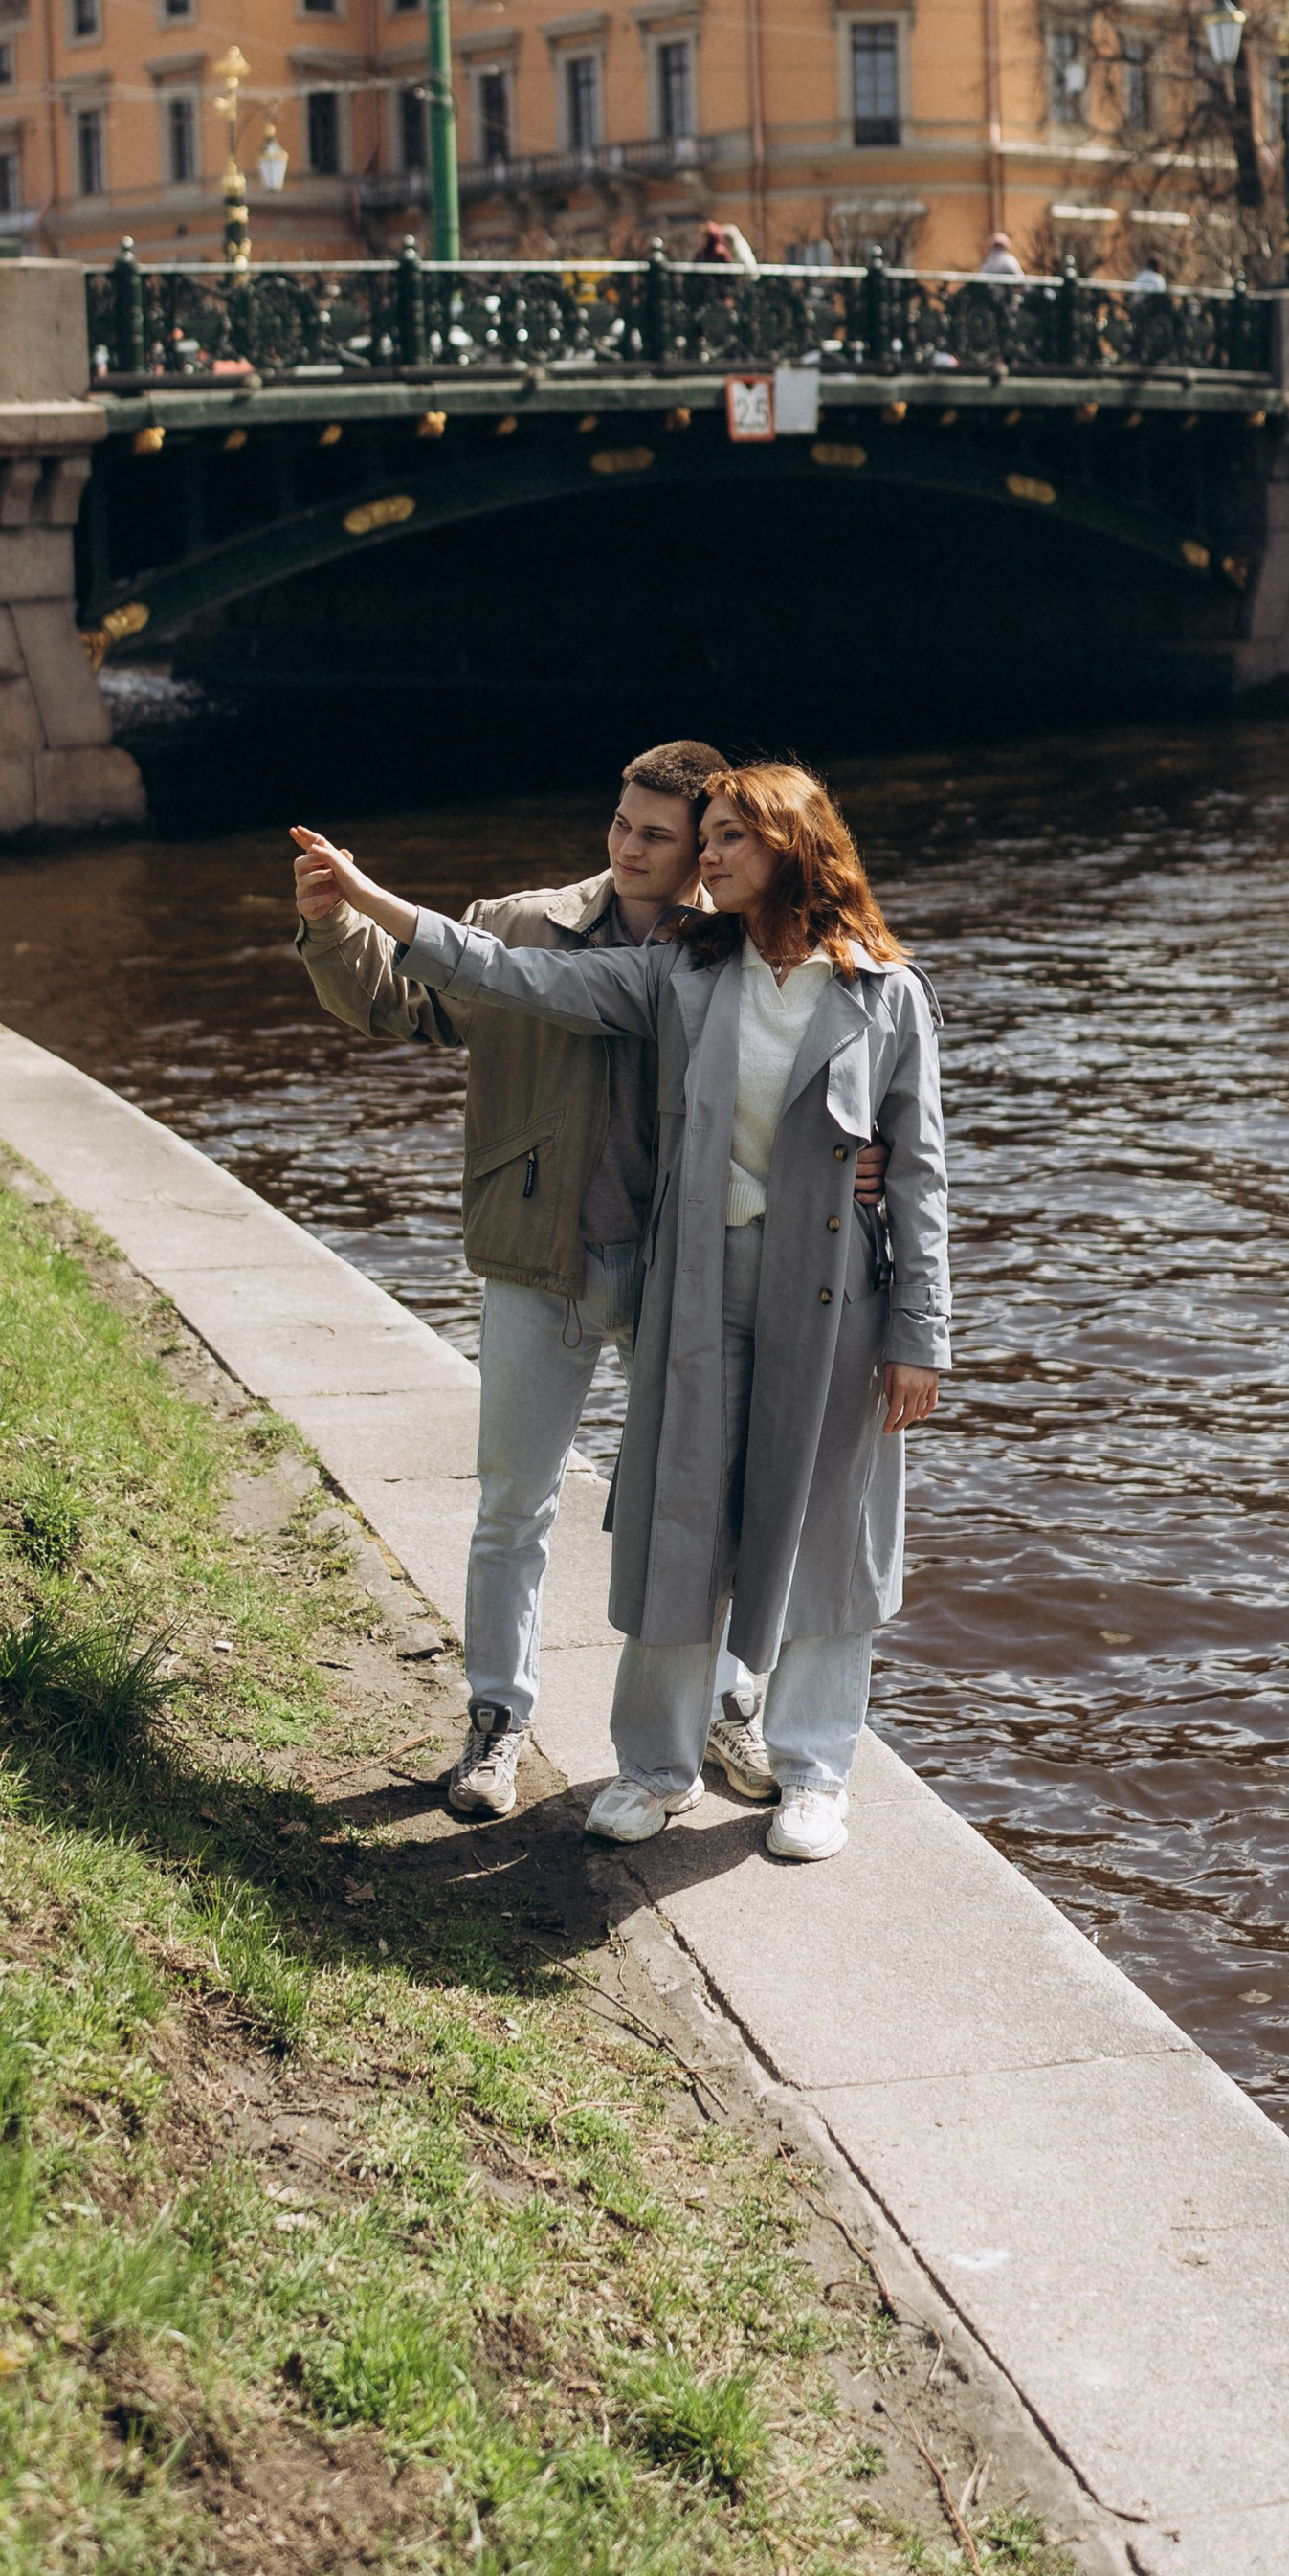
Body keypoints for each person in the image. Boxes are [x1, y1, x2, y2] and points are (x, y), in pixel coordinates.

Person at [289, 766, 949, 1867]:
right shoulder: (678, 971)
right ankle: (654, 1766)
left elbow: (920, 1174)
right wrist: (362, 896)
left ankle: (814, 1772)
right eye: (708, 837)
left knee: (828, 1534)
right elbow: (505, 972)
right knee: (673, 1521)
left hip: (830, 1296)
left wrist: (917, 1336)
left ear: (790, 847)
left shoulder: (887, 993)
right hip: (692, 1283)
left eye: (728, 839)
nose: (706, 858)